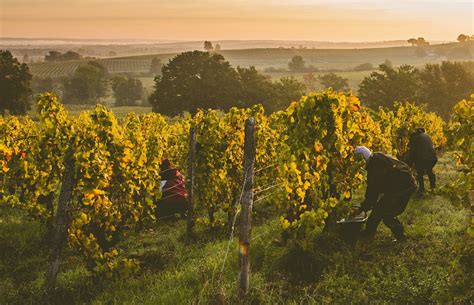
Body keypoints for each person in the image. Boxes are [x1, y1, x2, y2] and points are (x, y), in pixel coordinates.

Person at [353, 146, 417, 242]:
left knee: (387, 213)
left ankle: (401, 237)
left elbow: (372, 194)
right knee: (379, 209)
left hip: (403, 188)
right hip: (400, 185)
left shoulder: (375, 169)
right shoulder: (377, 157)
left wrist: (362, 208)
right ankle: (368, 234)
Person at [406, 128, 438, 194]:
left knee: (420, 172)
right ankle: (433, 187)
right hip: (433, 158)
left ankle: (422, 190)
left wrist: (409, 163)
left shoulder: (415, 139)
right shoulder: (426, 136)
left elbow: (412, 152)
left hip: (423, 158)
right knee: (429, 170)